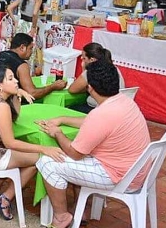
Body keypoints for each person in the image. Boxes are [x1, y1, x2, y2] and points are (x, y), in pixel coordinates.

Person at [36, 60, 150, 228]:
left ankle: (61, 216)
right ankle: (82, 208)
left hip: (119, 176)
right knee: (81, 151)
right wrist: (62, 119)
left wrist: (58, 133)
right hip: (138, 171)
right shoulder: (125, 101)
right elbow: (91, 121)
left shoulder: (102, 114)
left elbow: (75, 153)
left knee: (47, 163)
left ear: (90, 88)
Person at [0, 65, 61, 221]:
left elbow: (15, 116)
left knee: (29, 156)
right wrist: (44, 148)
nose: (16, 81)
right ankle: (5, 198)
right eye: (10, 79)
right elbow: (10, 143)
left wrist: (17, 93)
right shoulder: (1, 106)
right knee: (41, 159)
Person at [0, 33, 66, 101]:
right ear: (22, 47)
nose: (31, 52)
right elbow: (32, 94)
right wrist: (52, 87)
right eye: (30, 48)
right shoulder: (22, 65)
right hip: (7, 102)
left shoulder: (1, 54)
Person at [67, 43, 125, 113]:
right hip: (117, 105)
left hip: (100, 108)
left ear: (92, 60)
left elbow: (72, 90)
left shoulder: (92, 70)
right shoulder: (114, 68)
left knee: (70, 108)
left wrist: (84, 69)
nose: (81, 58)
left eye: (84, 57)